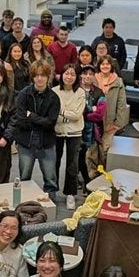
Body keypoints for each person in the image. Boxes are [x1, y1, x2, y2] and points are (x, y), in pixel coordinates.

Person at [5, 60, 61, 196]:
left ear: (48, 77)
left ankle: (51, 205)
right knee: (24, 178)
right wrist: (39, 119)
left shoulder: (54, 98)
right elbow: (21, 120)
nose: (40, 78)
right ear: (33, 77)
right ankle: (25, 202)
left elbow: (50, 123)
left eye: (43, 75)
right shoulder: (23, 94)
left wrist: (32, 116)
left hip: (46, 142)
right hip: (25, 141)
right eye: (37, 75)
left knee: (50, 180)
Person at [53, 64, 86, 210]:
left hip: (75, 132)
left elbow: (77, 115)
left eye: (72, 74)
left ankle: (70, 193)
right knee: (54, 161)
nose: (69, 77)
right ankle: (52, 191)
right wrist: (67, 114)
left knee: (72, 164)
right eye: (66, 73)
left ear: (76, 77)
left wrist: (62, 114)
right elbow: (53, 114)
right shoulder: (54, 91)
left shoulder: (80, 92)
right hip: (57, 131)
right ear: (61, 75)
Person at [94, 55, 129, 151]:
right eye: (102, 64)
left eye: (107, 64)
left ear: (111, 66)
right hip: (94, 122)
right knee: (92, 151)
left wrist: (118, 124)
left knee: (105, 149)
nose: (105, 66)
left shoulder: (118, 82)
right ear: (99, 66)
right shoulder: (93, 79)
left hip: (110, 122)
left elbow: (122, 104)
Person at [78, 64, 105, 186]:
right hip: (76, 129)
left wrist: (84, 114)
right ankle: (79, 181)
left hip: (93, 132)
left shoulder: (99, 93)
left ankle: (88, 182)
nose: (88, 76)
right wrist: (91, 109)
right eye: (85, 73)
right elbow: (75, 110)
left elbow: (99, 114)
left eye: (91, 74)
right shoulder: (76, 90)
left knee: (89, 157)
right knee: (77, 157)